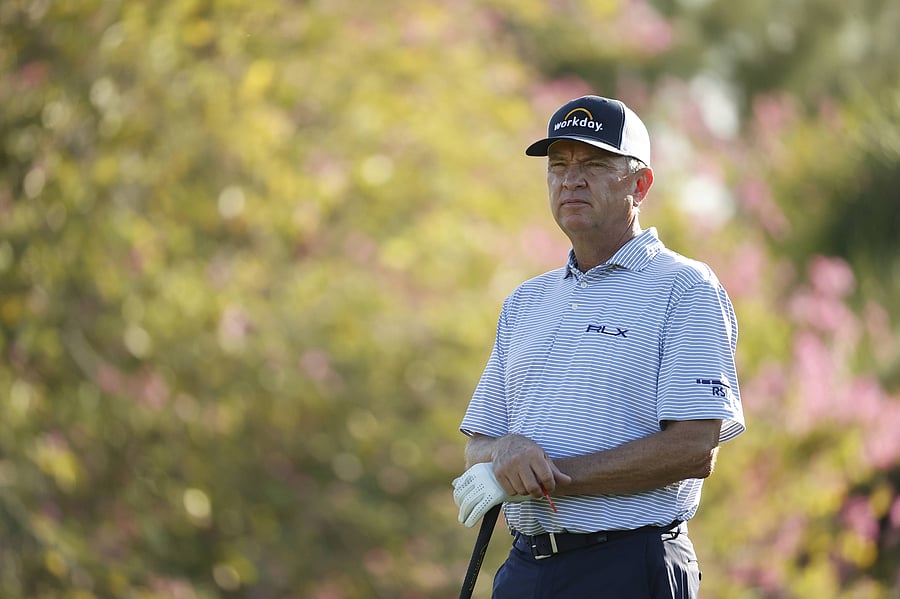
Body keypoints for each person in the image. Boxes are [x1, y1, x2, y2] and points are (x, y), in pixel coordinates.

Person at [452, 95, 745, 598]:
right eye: (558, 165)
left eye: (594, 164)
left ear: (640, 184)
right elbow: (477, 445)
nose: (571, 179)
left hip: (629, 564)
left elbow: (693, 449)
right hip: (526, 566)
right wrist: (503, 451)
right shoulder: (526, 301)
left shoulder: (685, 288)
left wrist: (540, 478)